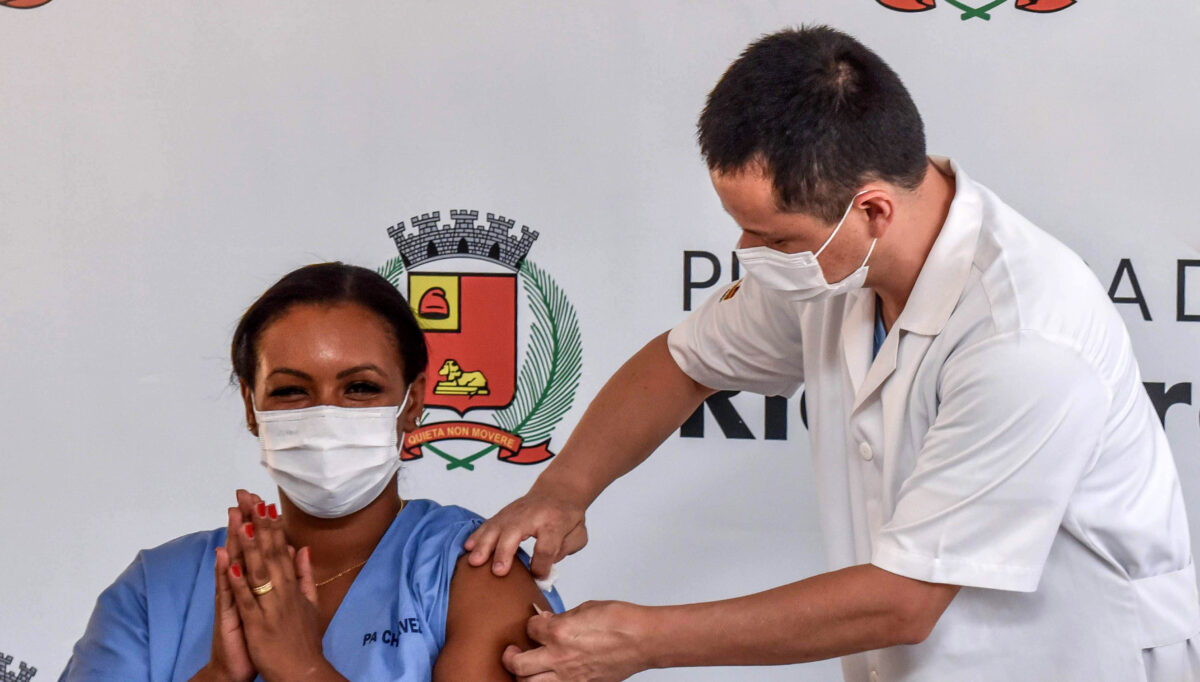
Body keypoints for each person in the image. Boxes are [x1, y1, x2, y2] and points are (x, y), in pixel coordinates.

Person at [464, 26, 1200, 682]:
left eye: (774, 237)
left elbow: (903, 601)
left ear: (873, 207)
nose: (750, 257)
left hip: (1074, 657)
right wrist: (562, 492)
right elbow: (685, 362)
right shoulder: (829, 261)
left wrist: (645, 641)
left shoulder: (1025, 338)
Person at [61, 262, 562, 682]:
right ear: (251, 404)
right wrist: (216, 676)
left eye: (361, 388)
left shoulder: (473, 573)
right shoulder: (157, 588)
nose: (325, 416)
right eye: (290, 390)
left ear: (414, 402)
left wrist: (301, 669)